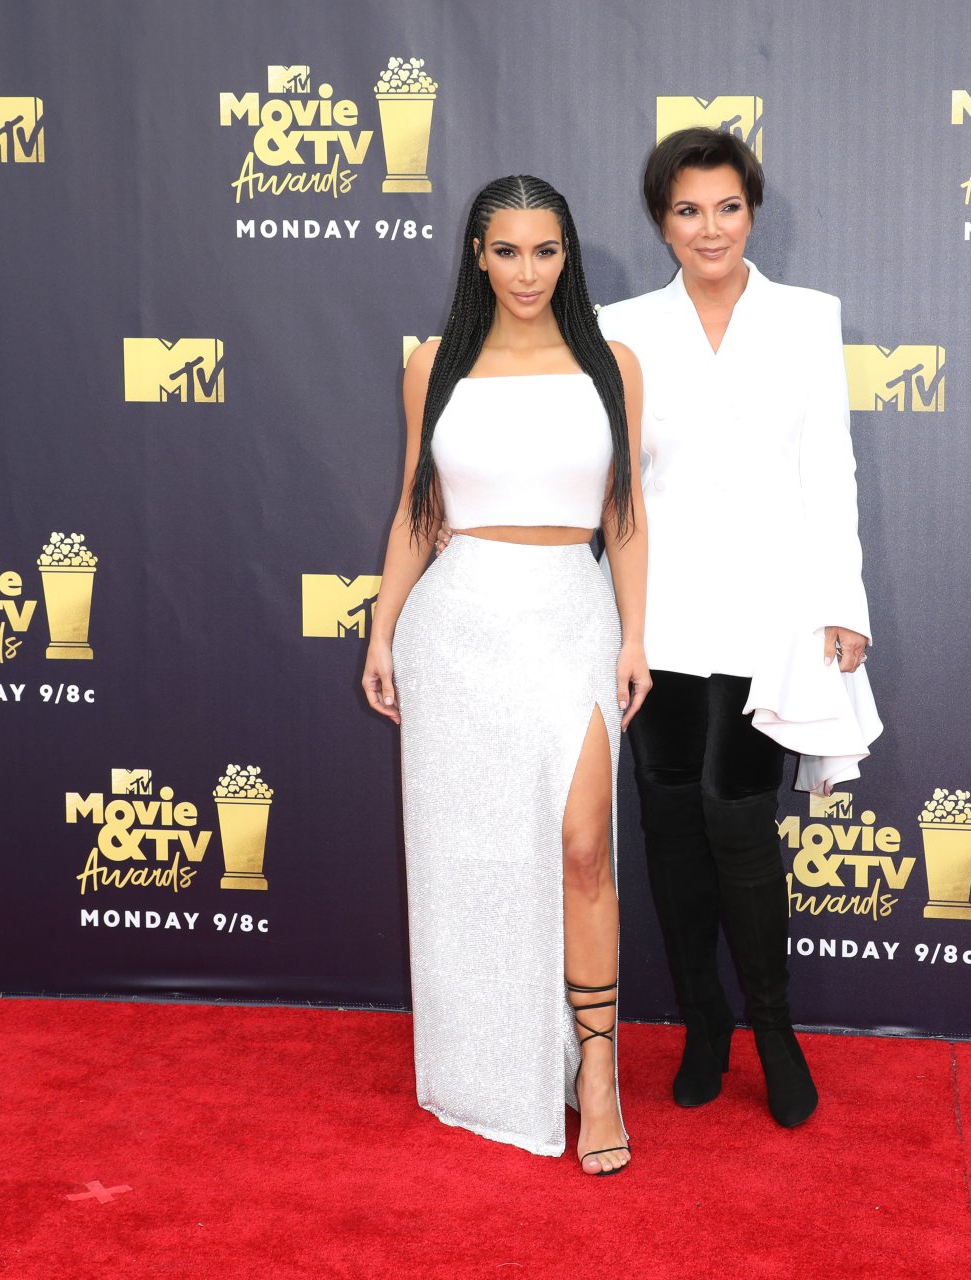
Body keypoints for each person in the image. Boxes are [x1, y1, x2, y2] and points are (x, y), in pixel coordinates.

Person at [361, 175, 649, 1176]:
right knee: (478, 857)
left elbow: (624, 515)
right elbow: (418, 508)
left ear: (568, 255)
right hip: (458, 629)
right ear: (477, 257)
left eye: (546, 250)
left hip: (571, 616)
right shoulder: (432, 363)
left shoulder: (612, 362)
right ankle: (493, 1059)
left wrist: (633, 636)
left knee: (583, 847)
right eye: (507, 251)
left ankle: (597, 1072)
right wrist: (382, 630)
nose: (527, 272)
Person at [597, 128, 874, 1129]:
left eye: (726, 207)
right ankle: (703, 1022)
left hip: (772, 610)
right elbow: (616, 482)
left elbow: (830, 465)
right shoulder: (620, 326)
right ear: (660, 220)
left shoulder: (806, 317)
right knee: (669, 817)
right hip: (657, 609)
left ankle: (772, 1025)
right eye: (687, 209)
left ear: (752, 212)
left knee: (737, 814)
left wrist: (844, 601)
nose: (708, 228)